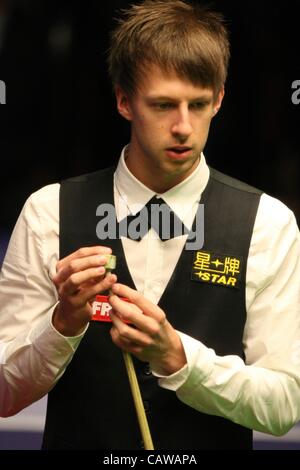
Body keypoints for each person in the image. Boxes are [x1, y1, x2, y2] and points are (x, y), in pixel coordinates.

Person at [0, 0, 300, 450]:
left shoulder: (269, 224)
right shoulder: (48, 212)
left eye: (198, 105)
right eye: (162, 105)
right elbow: (5, 394)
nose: (183, 127)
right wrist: (62, 324)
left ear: (219, 99)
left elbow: (282, 407)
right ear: (124, 101)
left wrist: (177, 357)